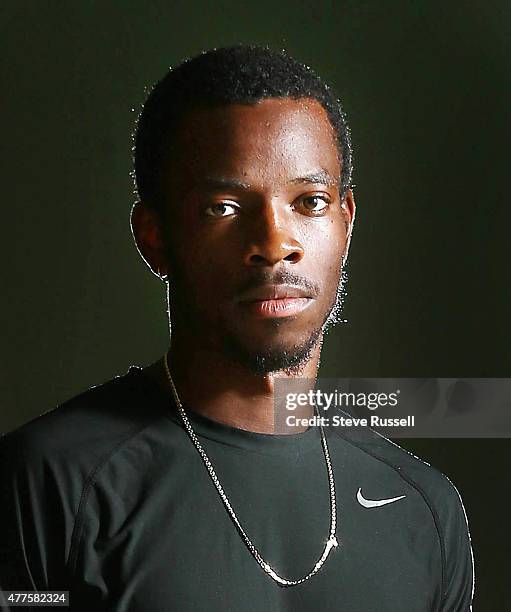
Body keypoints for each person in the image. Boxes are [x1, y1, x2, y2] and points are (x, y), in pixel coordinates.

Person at [0, 45, 474, 611]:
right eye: (223, 207)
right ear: (154, 236)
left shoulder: (425, 507)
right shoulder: (48, 484)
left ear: (346, 223)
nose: (276, 243)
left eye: (310, 201)